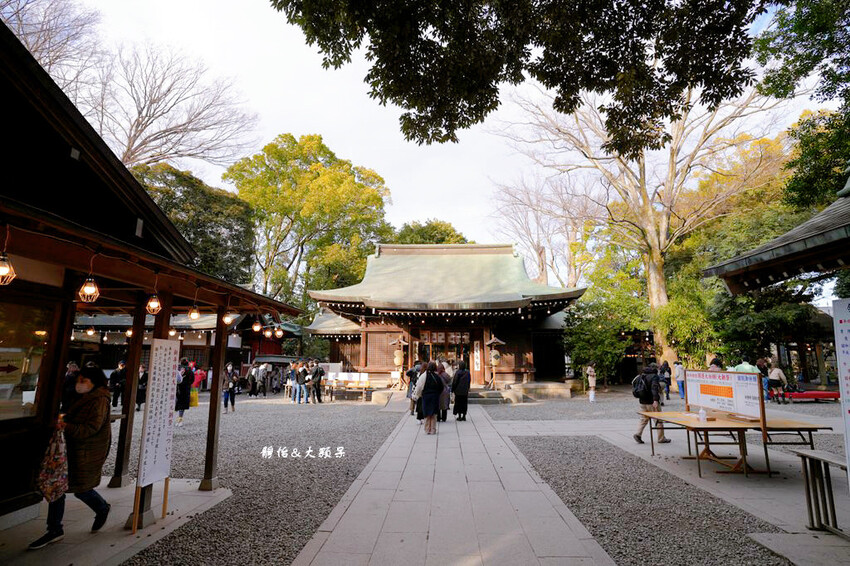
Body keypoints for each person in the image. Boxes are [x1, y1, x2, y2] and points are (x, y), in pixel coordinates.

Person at [29, 365, 112, 550]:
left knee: (80, 488)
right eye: (79, 380)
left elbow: (91, 428)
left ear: (94, 382)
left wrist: (65, 426)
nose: (79, 384)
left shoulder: (99, 400)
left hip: (85, 452)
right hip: (70, 448)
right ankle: (55, 529)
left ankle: (101, 507)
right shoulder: (84, 396)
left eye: (84, 381)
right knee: (59, 487)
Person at [634, 362, 669, 445]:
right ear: (655, 368)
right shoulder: (654, 376)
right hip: (651, 401)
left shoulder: (642, 375)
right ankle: (661, 438)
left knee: (644, 419)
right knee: (658, 419)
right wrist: (656, 400)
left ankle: (638, 434)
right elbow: (654, 388)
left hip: (642, 401)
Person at [413, 361, 443, 435]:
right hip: (435, 396)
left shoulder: (423, 376)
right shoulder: (437, 376)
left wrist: (418, 395)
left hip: (426, 396)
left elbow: (419, 387)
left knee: (426, 413)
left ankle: (427, 429)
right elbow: (441, 387)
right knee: (433, 413)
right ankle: (433, 429)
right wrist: (437, 393)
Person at [175, 358, 192, 427]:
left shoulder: (177, 369)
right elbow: (192, 380)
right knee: (182, 405)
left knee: (176, 403)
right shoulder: (190, 370)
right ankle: (180, 420)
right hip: (185, 389)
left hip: (177, 388)